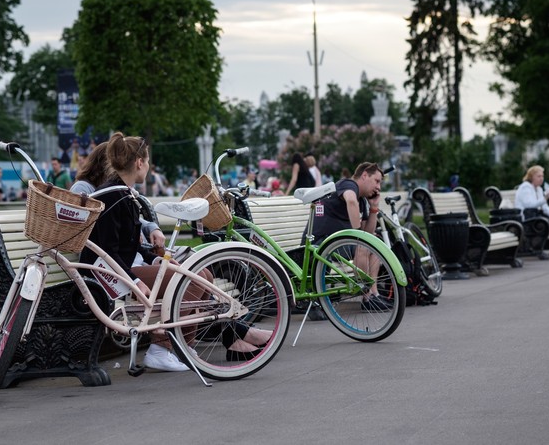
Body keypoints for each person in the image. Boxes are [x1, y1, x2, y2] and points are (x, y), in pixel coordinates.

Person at [80, 132, 271, 371]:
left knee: (203, 276)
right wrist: (136, 280)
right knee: (189, 281)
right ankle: (161, 349)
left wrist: (155, 259)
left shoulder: (123, 193)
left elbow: (131, 245)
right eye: (147, 161)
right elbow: (108, 251)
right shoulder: (114, 196)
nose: (148, 167)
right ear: (139, 162)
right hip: (110, 272)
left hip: (124, 265)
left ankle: (183, 346)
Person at [308, 162, 389, 311]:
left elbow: (368, 232)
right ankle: (367, 296)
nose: (379, 187)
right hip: (321, 243)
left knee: (373, 242)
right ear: (364, 175)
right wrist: (358, 235)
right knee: (362, 243)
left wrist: (374, 208)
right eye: (376, 181)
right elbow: (350, 200)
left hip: (339, 244)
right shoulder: (348, 185)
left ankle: (373, 294)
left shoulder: (363, 201)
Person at [71, 141, 165, 253]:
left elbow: (127, 219)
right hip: (105, 258)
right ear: (105, 164)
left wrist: (151, 227)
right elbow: (91, 227)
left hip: (130, 255)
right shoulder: (84, 188)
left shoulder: (117, 190)